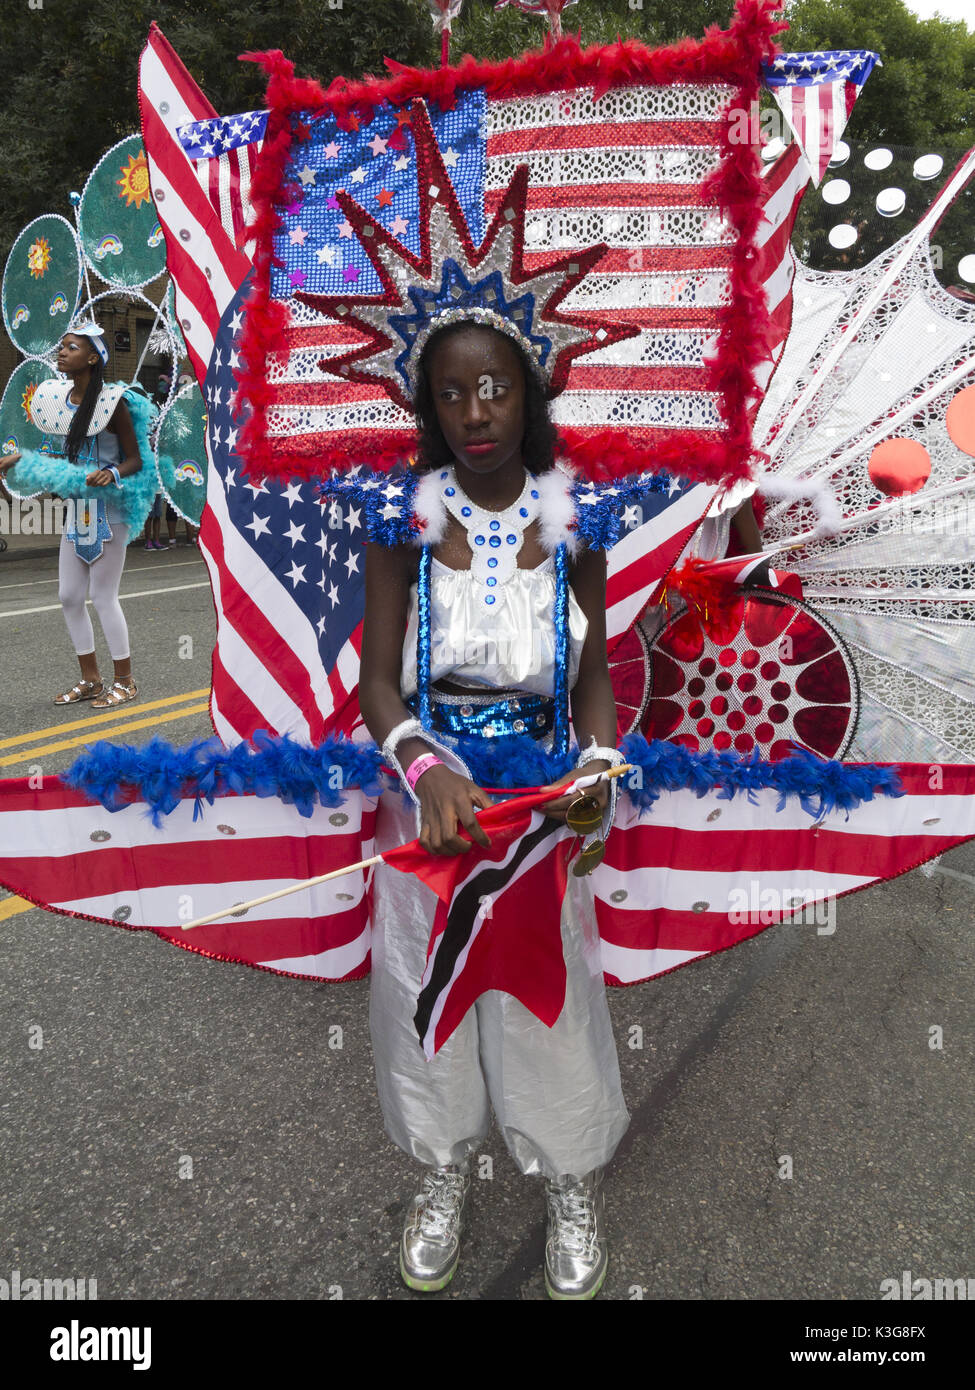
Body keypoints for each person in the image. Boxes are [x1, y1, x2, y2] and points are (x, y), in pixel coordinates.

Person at [355, 318, 630, 1300]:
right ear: (428, 407)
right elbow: (376, 684)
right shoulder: (404, 518)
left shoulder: (572, 519)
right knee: (427, 998)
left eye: (496, 388)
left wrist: (598, 761)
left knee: (543, 997)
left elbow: (594, 669)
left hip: (540, 805)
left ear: (530, 394)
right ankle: (444, 1170)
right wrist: (423, 765)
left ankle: (568, 1181)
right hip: (430, 801)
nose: (475, 412)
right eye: (452, 393)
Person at [0, 323, 156, 708]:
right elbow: (63, 459)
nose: (62, 352)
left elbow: (137, 458)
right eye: (62, 346)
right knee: (69, 596)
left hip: (111, 509)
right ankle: (90, 679)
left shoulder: (112, 401)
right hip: (78, 509)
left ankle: (126, 680)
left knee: (103, 597)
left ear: (91, 358)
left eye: (71, 347)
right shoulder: (59, 402)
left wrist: (113, 471)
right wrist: (20, 458)